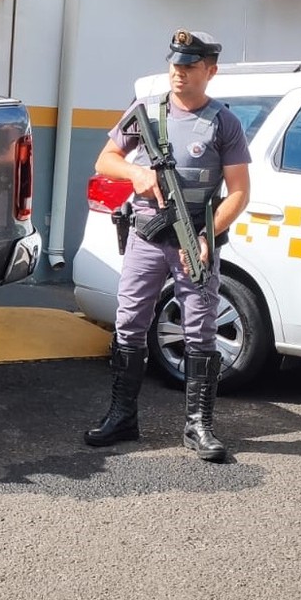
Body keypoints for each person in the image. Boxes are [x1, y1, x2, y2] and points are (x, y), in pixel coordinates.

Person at [83, 29, 251, 462]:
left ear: (209, 72)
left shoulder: (223, 123)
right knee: (130, 321)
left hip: (193, 236)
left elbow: (237, 192)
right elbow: (105, 159)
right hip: (146, 233)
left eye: (190, 67)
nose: (180, 74)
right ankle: (122, 416)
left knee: (200, 329)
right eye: (175, 65)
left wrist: (207, 235)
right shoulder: (146, 112)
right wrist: (135, 174)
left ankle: (198, 426)